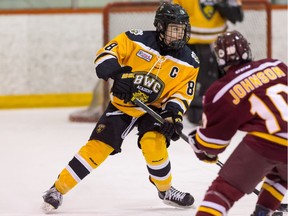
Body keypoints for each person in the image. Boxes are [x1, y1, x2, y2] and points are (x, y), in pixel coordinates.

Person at [42, 2, 200, 213]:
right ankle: (57, 190)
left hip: (154, 108)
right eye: (174, 29)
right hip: (123, 105)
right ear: (160, 27)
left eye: (182, 30)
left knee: (154, 143)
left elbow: (182, 94)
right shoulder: (135, 39)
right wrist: (118, 75)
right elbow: (104, 55)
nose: (179, 35)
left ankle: (166, 190)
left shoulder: (190, 61)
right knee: (98, 147)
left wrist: (173, 116)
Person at [188, 30, 287, 215]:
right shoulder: (276, 65)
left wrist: (198, 143)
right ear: (247, 51)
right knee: (281, 175)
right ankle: (263, 212)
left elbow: (213, 145)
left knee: (223, 191)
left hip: (266, 142)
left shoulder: (220, 90)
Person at [172, 0, 243, 124]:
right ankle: (197, 112)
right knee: (195, 83)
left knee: (223, 81)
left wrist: (224, 5)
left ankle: (218, 112)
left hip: (220, 43)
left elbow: (237, 16)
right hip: (191, 42)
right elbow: (172, 15)